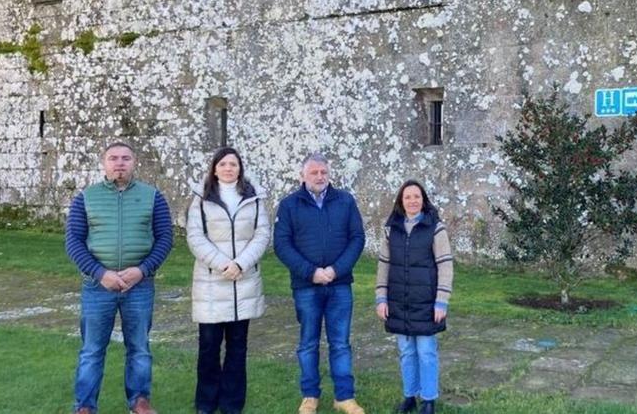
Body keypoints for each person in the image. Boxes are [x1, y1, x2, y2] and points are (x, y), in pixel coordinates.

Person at [65, 141, 174, 414]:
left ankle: (139, 401)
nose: (119, 163)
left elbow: (165, 239)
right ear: (104, 163)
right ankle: (85, 406)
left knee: (139, 348)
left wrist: (142, 270)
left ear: (134, 162)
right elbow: (74, 242)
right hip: (97, 287)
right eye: (113, 158)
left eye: (125, 158)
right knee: (92, 350)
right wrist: (100, 273)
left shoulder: (153, 197)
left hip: (139, 286)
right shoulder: (86, 198)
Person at [273, 152, 367, 414]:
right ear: (303, 176)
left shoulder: (345, 201)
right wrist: (310, 271)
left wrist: (336, 270)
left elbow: (357, 238)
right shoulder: (290, 205)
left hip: (339, 284)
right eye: (314, 172)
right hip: (306, 286)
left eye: (323, 172)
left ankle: (345, 397)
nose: (319, 176)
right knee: (308, 343)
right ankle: (310, 395)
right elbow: (281, 244)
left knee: (340, 343)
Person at [186, 147, 270, 414]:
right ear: (215, 168)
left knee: (237, 348)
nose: (228, 168)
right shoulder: (201, 199)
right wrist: (223, 264)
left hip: (242, 282)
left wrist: (241, 263)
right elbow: (195, 237)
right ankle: (206, 403)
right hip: (212, 282)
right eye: (223, 164)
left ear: (240, 168)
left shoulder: (253, 198)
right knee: (209, 347)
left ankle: (232, 403)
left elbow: (262, 234)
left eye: (233, 164)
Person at [375, 180, 454, 414]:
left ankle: (428, 399)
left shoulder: (435, 228)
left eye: (417, 196)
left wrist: (442, 301)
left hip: (426, 302)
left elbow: (445, 266)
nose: (412, 201)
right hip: (399, 300)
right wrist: (381, 298)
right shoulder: (391, 229)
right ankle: (410, 396)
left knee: (427, 352)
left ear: (423, 200)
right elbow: (384, 265)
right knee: (407, 352)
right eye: (407, 197)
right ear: (401, 201)